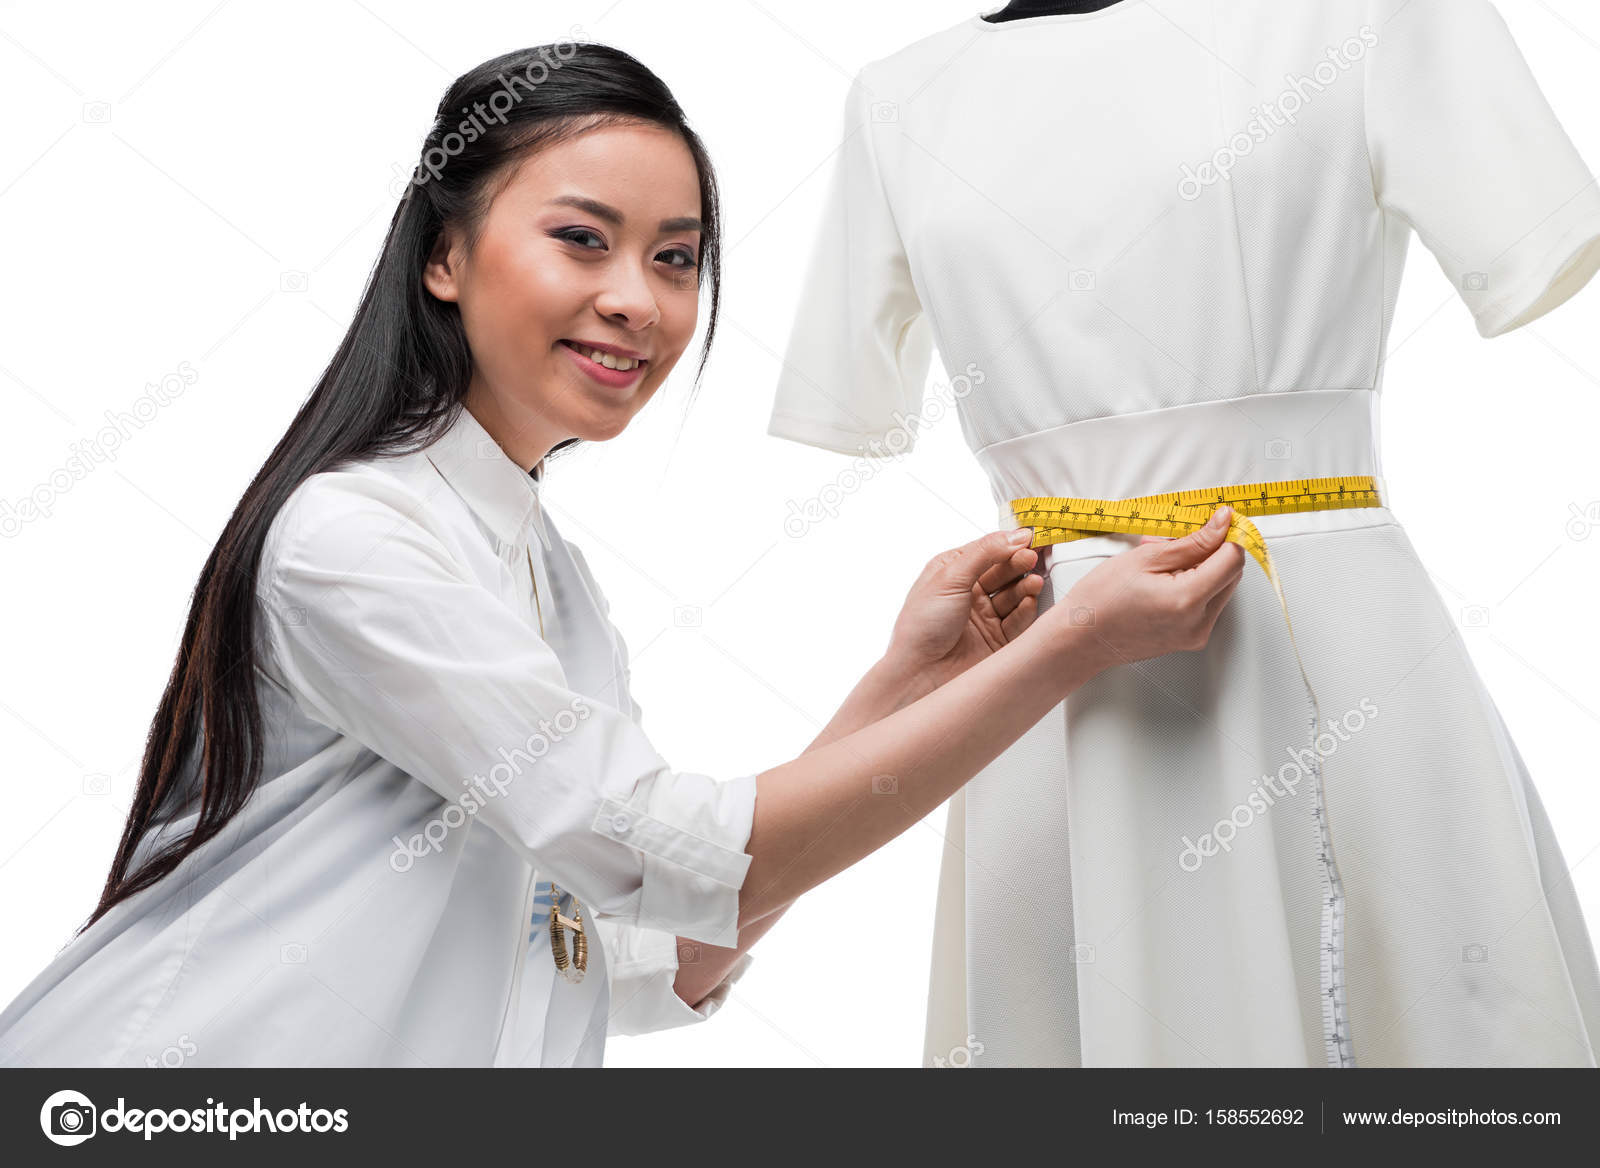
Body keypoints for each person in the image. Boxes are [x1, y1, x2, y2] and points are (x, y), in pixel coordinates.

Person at [0, 42, 1243, 1068]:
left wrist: (908, 677)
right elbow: (656, 856)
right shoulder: (354, 540)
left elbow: (647, 947)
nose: (638, 302)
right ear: (443, 256)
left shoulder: (551, 581)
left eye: (676, 257)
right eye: (582, 240)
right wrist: (1074, 651)